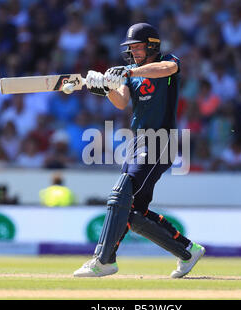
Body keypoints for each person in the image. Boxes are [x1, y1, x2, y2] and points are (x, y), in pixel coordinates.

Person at [69, 23, 205, 278]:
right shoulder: (130, 71)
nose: (133, 51)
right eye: (130, 48)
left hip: (160, 139)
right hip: (137, 141)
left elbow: (167, 69)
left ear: (152, 45)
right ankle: (187, 251)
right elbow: (120, 101)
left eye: (137, 47)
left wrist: (128, 74)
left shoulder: (167, 61)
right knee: (133, 213)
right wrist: (104, 85)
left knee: (121, 192)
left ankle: (104, 260)